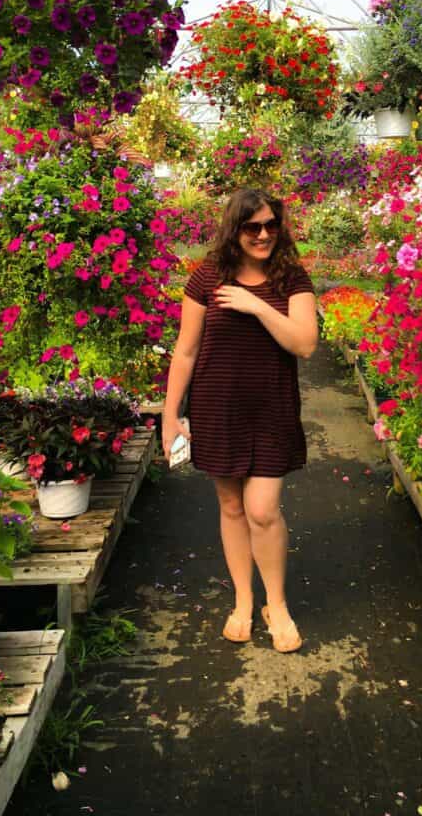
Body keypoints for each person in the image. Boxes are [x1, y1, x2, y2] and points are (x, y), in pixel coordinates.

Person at [162, 187, 318, 653]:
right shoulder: (207, 277)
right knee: (231, 507)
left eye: (271, 225)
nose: (264, 234)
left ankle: (278, 603)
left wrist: (256, 305)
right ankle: (244, 601)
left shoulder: (291, 278)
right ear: (235, 229)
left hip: (271, 409)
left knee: (263, 511)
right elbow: (186, 350)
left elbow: (305, 343)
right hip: (217, 409)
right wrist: (171, 414)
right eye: (253, 227)